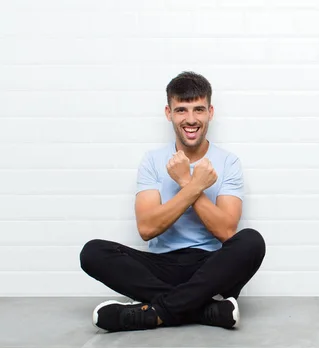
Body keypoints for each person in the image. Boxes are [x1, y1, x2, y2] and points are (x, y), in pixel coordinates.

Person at [79, 71, 266, 333]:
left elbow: (226, 232)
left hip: (211, 269)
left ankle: (155, 312)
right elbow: (146, 229)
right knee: (93, 252)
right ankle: (204, 310)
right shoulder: (153, 161)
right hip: (160, 267)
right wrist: (191, 186)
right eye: (181, 110)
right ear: (168, 113)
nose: (191, 119)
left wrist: (187, 183)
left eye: (198, 109)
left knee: (251, 242)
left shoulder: (228, 163)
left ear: (210, 112)